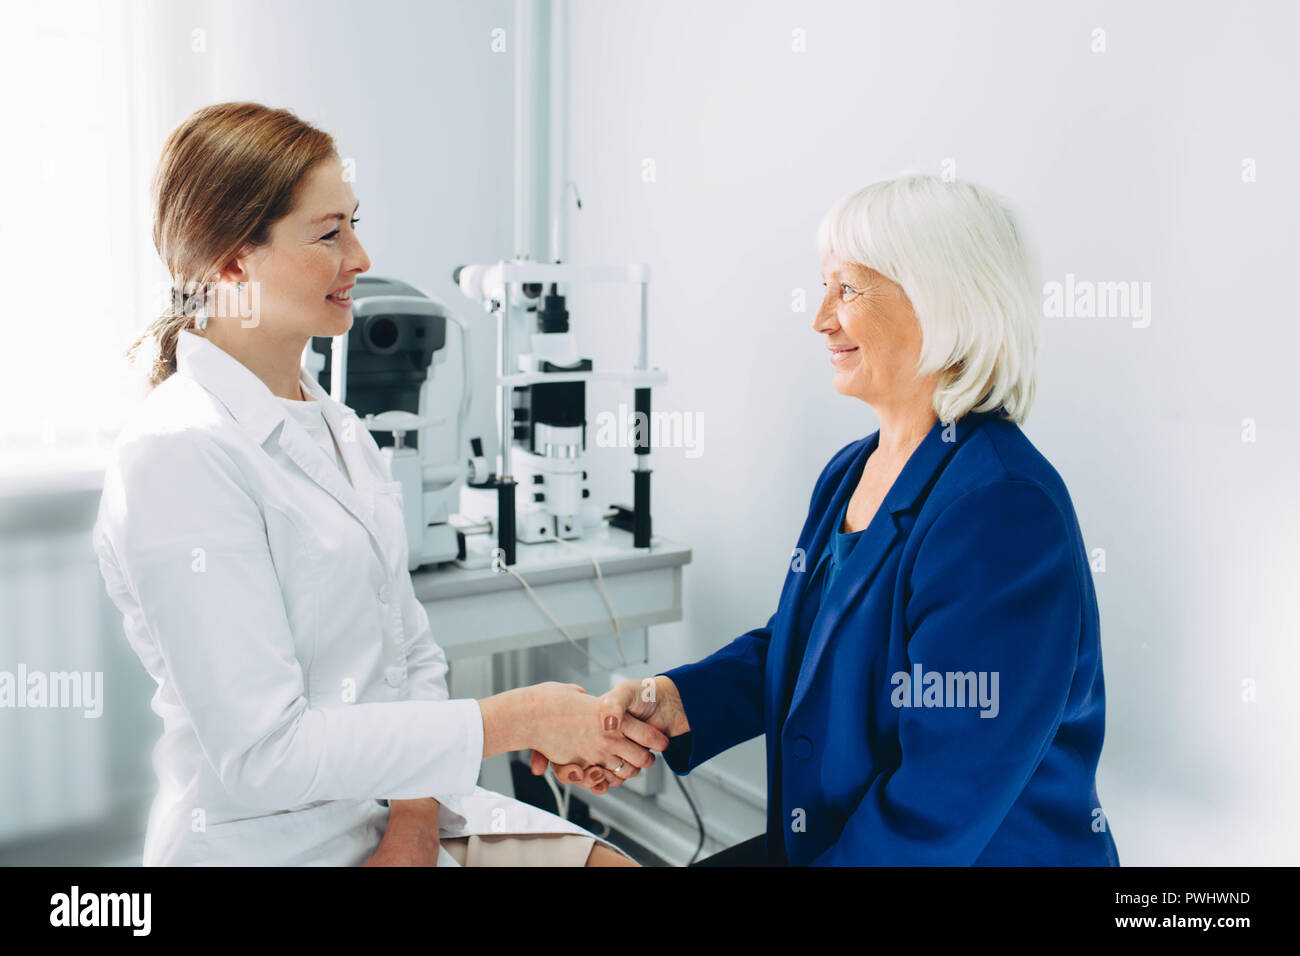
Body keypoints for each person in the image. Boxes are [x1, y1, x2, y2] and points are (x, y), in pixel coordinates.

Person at [93, 101, 663, 866]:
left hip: (398, 811)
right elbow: (265, 755)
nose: (360, 256)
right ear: (233, 262)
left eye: (353, 224)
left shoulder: (342, 431)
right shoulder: (177, 454)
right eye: (330, 233)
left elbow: (412, 660)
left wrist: (414, 825)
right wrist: (522, 718)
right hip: (270, 841)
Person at [539, 174, 1122, 867]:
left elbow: (938, 806)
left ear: (945, 302)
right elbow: (807, 649)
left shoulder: (1002, 510)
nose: (820, 318)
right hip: (837, 841)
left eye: (847, 289)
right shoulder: (854, 469)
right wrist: (674, 702)